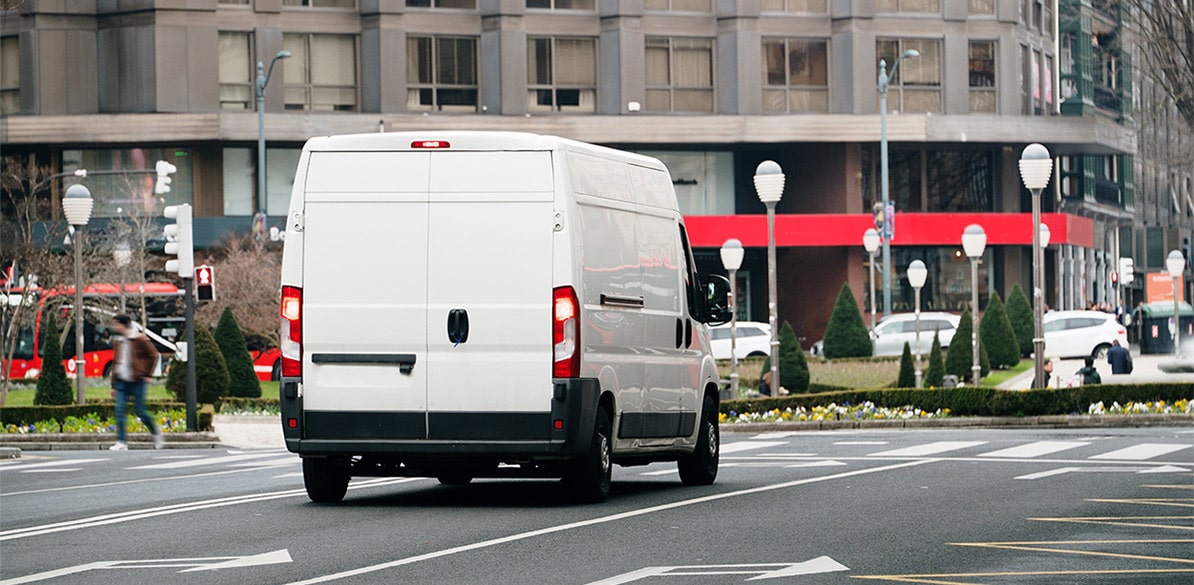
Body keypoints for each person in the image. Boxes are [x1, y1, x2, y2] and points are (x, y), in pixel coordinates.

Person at [109, 314, 163, 451]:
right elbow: (116, 363)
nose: (114, 327)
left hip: (137, 381)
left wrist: (147, 374)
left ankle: (155, 432)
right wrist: (113, 385)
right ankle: (122, 442)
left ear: (123, 325)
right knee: (120, 411)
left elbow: (154, 355)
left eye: (116, 324)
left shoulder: (139, 338)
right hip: (121, 381)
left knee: (141, 412)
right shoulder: (118, 341)